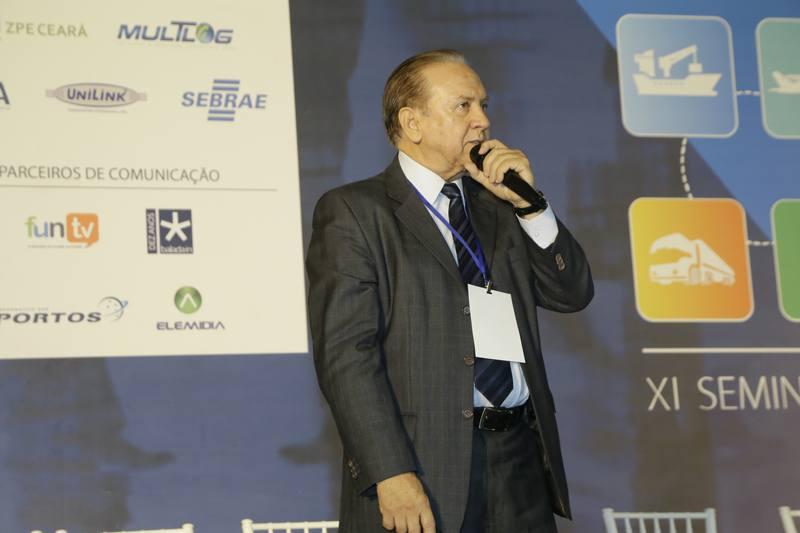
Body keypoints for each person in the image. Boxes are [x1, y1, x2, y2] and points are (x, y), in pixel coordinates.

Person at [306, 49, 593, 533]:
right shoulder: (355, 212)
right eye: (464, 106)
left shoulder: (500, 205)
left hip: (520, 461)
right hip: (423, 465)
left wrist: (531, 206)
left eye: (483, 105)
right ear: (412, 123)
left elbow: (572, 293)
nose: (482, 121)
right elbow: (346, 356)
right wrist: (390, 472)